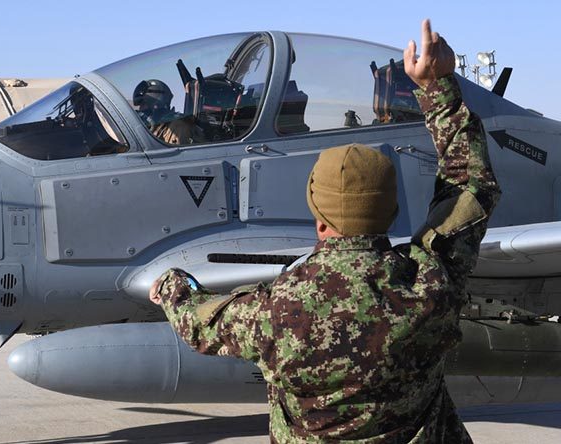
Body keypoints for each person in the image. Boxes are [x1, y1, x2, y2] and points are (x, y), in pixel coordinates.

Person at [149, 19, 500, 443]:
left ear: (318, 214)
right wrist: (437, 86)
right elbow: (470, 185)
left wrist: (172, 285)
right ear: (390, 212)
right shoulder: (431, 283)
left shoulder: (277, 310)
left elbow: (197, 324)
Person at [133, 79, 204, 145]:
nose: (140, 109)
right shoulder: (156, 127)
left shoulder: (178, 126)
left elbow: (175, 156)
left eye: (143, 104)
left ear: (156, 105)